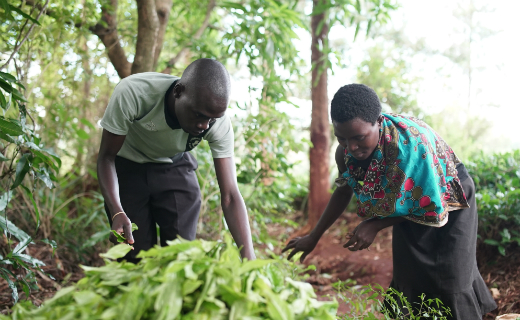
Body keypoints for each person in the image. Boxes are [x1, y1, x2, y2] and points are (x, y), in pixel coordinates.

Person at [282, 84, 496, 319]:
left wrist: (375, 224)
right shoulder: (346, 153)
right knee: (411, 275)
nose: (351, 147)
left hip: (449, 198)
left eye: (359, 138)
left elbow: (432, 201)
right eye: (341, 138)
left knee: (453, 277)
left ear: (378, 121)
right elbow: (344, 191)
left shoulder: (411, 147)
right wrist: (314, 236)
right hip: (410, 204)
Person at [97, 58, 255, 262]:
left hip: (175, 166)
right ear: (178, 92)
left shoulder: (217, 121)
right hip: (127, 168)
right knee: (135, 258)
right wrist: (116, 210)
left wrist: (248, 255)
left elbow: (231, 195)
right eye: (199, 115)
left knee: (181, 255)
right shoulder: (134, 93)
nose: (204, 125)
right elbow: (106, 158)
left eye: (211, 120)